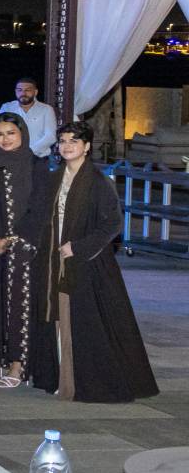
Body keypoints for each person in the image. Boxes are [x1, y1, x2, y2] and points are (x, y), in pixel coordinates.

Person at [30, 122, 158, 403]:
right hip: (54, 259)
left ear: (87, 146)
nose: (67, 146)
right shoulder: (54, 178)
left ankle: (83, 381)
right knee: (57, 317)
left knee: (85, 321)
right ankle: (58, 377)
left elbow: (112, 223)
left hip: (86, 262)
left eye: (74, 141)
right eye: (62, 141)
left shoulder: (100, 181)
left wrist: (78, 247)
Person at [0, 114, 45, 389]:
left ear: (22, 134)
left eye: (11, 133)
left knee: (18, 304)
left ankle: (18, 365)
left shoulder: (36, 165)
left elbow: (39, 209)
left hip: (22, 247)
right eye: (0, 134)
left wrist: (12, 239)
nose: (5, 139)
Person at [0, 77, 58, 158]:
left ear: (35, 92)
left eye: (27, 90)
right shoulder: (7, 107)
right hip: (10, 157)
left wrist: (27, 152)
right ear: (15, 91)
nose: (23, 93)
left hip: (38, 158)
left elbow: (51, 136)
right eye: (19, 90)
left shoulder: (46, 109)